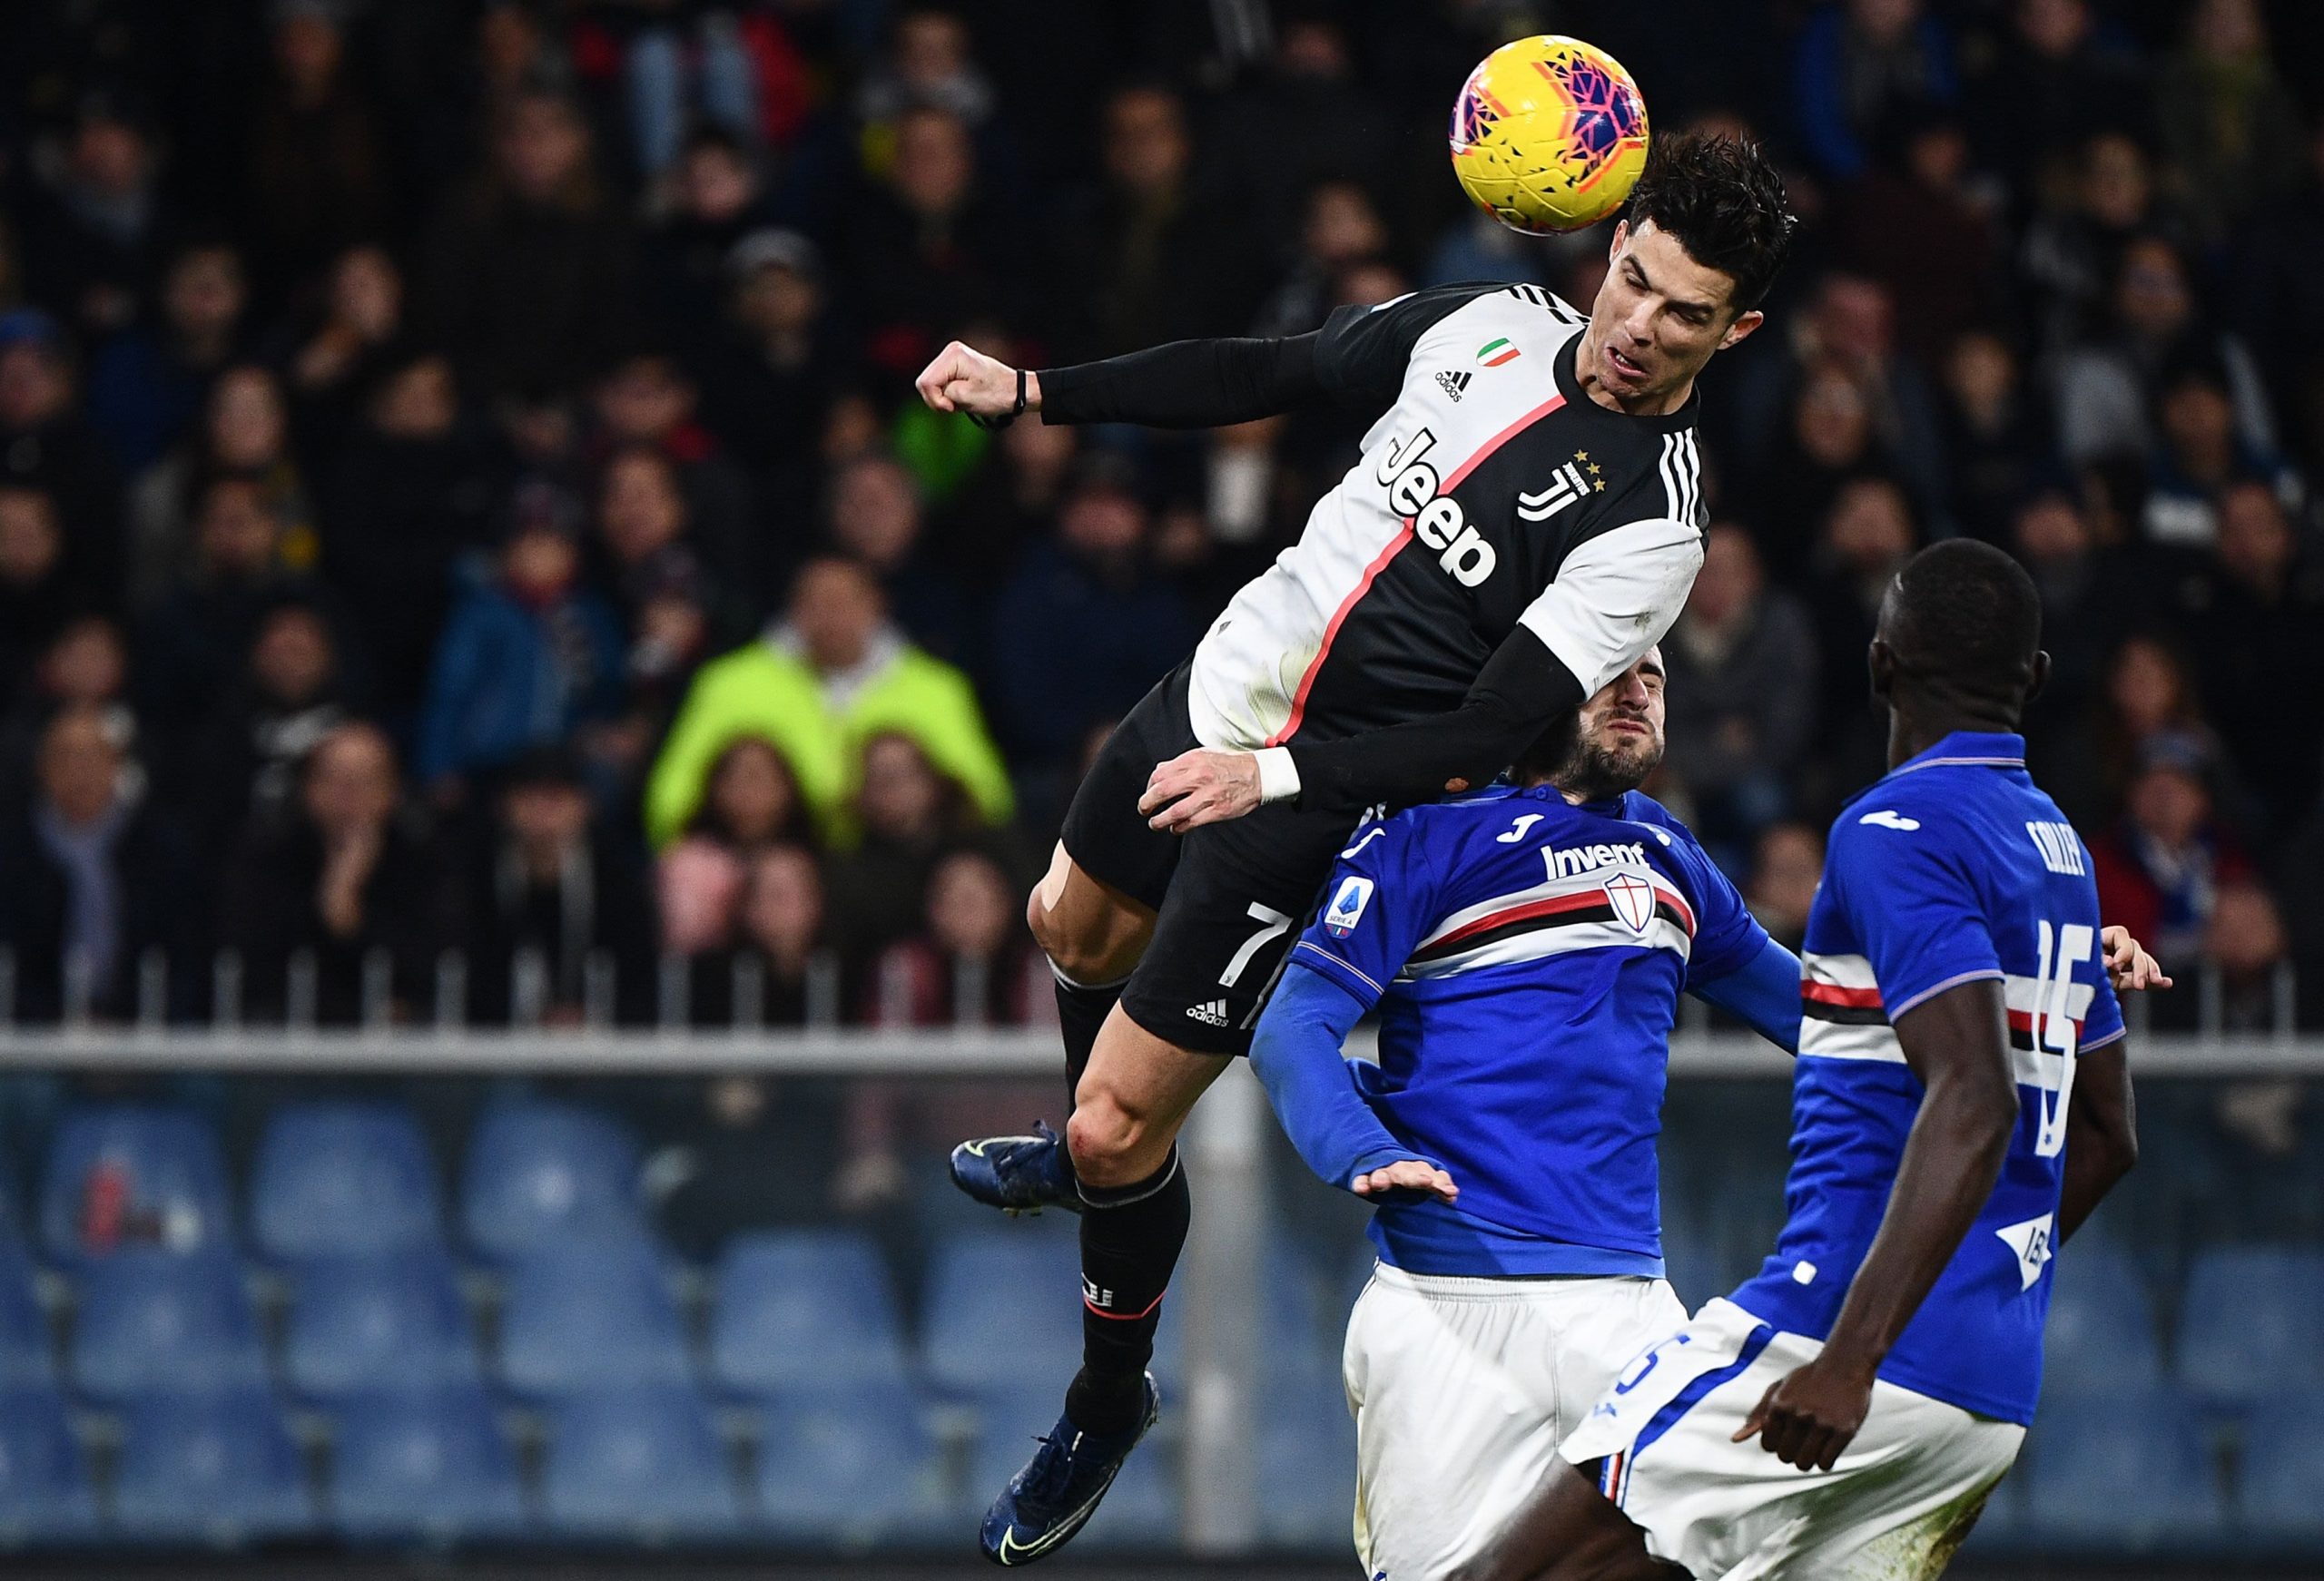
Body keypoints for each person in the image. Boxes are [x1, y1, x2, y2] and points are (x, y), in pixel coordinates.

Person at [916, 131, 1798, 1564]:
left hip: (1314, 801)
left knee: (1110, 1121)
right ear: (1611, 242)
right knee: (1066, 926)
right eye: (1634, 280)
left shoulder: (1657, 528)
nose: (1640, 327)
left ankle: (1107, 1391)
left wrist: (1269, 779)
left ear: (1735, 328)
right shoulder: (1491, 324)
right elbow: (1267, 370)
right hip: (1217, 687)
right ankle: (1105, 1182)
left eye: (1685, 314)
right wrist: (1035, 392)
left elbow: (1478, 737)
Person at [1247, 647, 2161, 1580]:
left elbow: (1831, 1018)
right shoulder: (1425, 838)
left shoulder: (1670, 851)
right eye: (1609, 668)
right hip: (1450, 1304)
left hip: (1632, 1311)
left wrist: (2045, 970)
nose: (1637, 688)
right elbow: (1292, 1023)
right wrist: (1356, 1144)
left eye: (1652, 671)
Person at [1460, 539, 2148, 1581]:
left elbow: (1974, 1095)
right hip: (1983, 1391)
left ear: (1878, 666)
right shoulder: (2056, 846)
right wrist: (1973, 1282)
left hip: (1831, 1340)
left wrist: (1851, 1355)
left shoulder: (1894, 827)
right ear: (2037, 681)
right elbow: (2108, 1136)